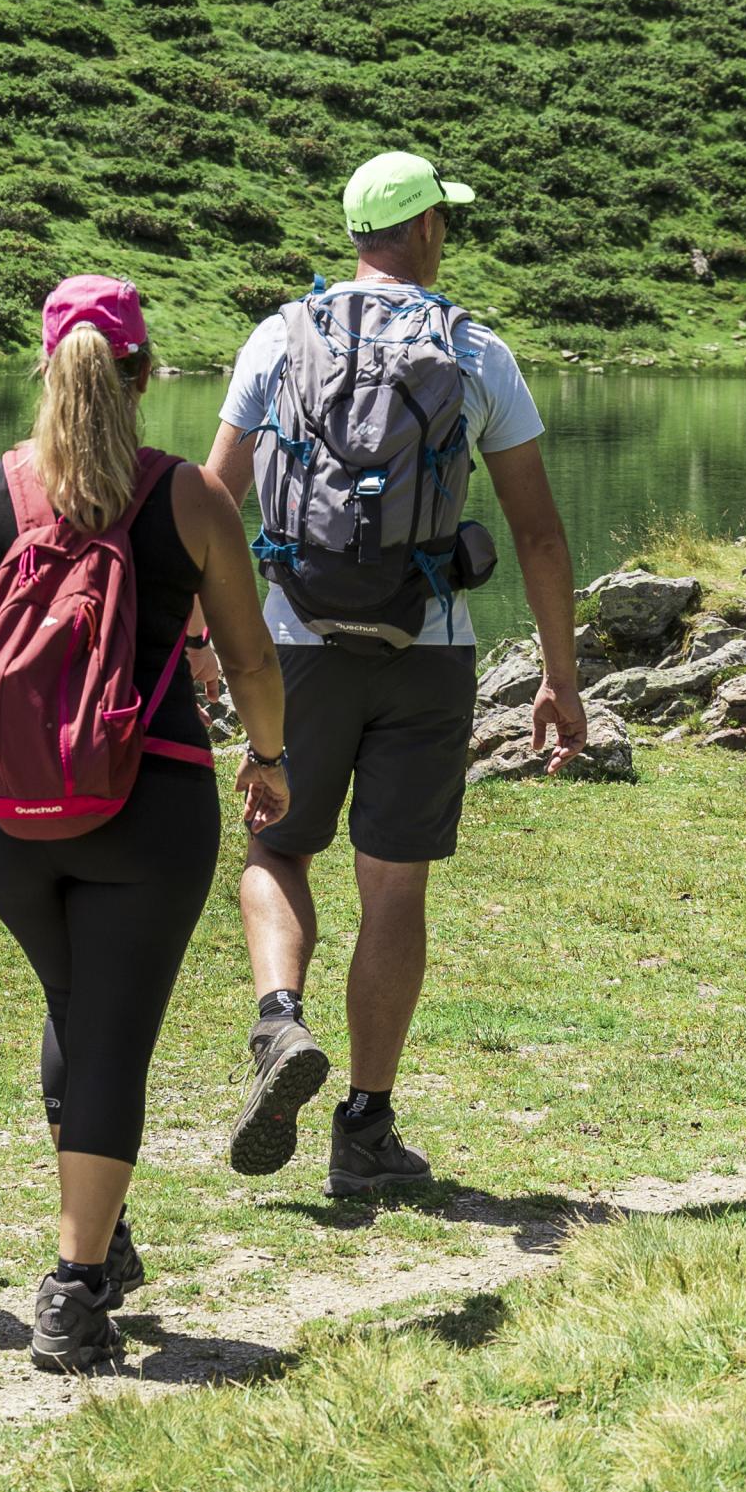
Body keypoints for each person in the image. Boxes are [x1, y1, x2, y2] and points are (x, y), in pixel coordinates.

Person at [0, 276, 290, 1377]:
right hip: (149, 806)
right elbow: (251, 656)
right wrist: (268, 757)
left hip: (5, 816)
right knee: (111, 1034)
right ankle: (73, 1291)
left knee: (77, 1007)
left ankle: (102, 1235)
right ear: (143, 372)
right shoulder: (188, 496)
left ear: (44, 370)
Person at [206, 150, 587, 1197]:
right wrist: (559, 677)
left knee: (277, 847)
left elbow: (212, 503)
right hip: (430, 648)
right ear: (423, 229)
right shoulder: (474, 350)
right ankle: (365, 1128)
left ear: (354, 236)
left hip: (293, 645)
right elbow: (538, 534)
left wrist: (199, 638)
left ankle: (280, 1020)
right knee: (393, 885)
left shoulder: (279, 337)